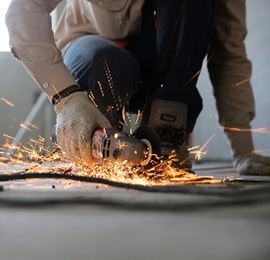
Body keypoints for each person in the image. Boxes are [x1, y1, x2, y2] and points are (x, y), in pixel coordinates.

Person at [5, 0, 270, 175]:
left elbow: (229, 53)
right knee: (104, 64)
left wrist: (244, 149)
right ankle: (96, 139)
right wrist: (68, 100)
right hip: (95, 56)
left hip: (165, 75)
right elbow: (24, 10)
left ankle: (167, 133)